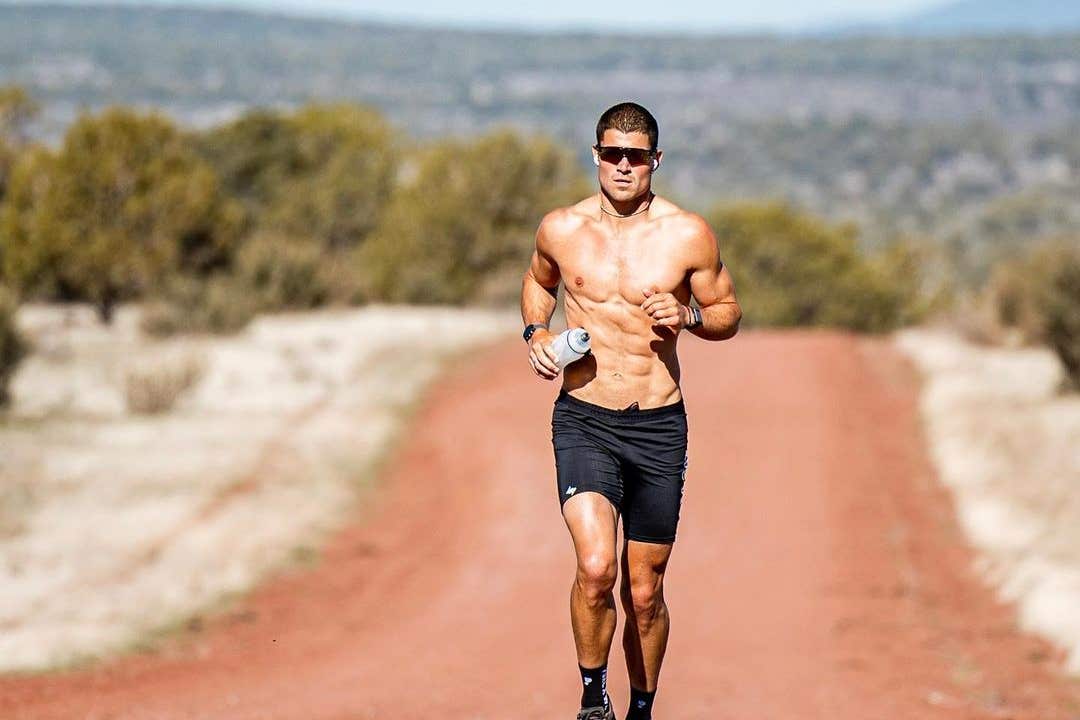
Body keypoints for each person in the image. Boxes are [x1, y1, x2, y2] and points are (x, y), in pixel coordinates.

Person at [519, 102, 742, 720]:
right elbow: (538, 282)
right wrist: (535, 335)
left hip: (657, 426)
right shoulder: (561, 229)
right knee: (595, 568)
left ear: (655, 161)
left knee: (644, 592)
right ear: (595, 155)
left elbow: (727, 311)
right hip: (584, 416)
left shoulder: (687, 234)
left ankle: (642, 707)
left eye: (635, 156)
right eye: (611, 154)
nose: (623, 166)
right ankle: (594, 698)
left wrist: (690, 317)